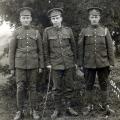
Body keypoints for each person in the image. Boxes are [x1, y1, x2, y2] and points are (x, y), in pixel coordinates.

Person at [78, 7, 115, 116]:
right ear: (89, 18)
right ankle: (89, 106)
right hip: (89, 63)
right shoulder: (84, 31)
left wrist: (111, 63)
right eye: (92, 17)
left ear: (99, 18)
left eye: (96, 17)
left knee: (104, 84)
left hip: (103, 63)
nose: (94, 19)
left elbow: (110, 48)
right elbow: (81, 48)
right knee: (88, 84)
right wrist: (80, 64)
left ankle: (105, 105)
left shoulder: (105, 30)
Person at [43, 7, 78, 120]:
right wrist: (48, 63)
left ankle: (68, 107)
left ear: (61, 18)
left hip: (68, 63)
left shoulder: (68, 30)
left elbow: (73, 47)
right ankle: (57, 109)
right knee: (56, 88)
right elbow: (45, 49)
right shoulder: (47, 32)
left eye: (57, 18)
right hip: (55, 64)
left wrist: (75, 62)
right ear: (51, 20)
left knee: (69, 86)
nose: (55, 20)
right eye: (53, 18)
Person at [9, 7, 44, 120]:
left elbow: (40, 51)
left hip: (33, 65)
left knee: (33, 88)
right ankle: (20, 111)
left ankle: (34, 110)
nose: (25, 20)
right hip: (19, 65)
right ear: (20, 19)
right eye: (23, 18)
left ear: (31, 19)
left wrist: (41, 65)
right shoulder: (16, 32)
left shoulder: (36, 32)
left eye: (27, 18)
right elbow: (12, 51)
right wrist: (12, 67)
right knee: (20, 88)